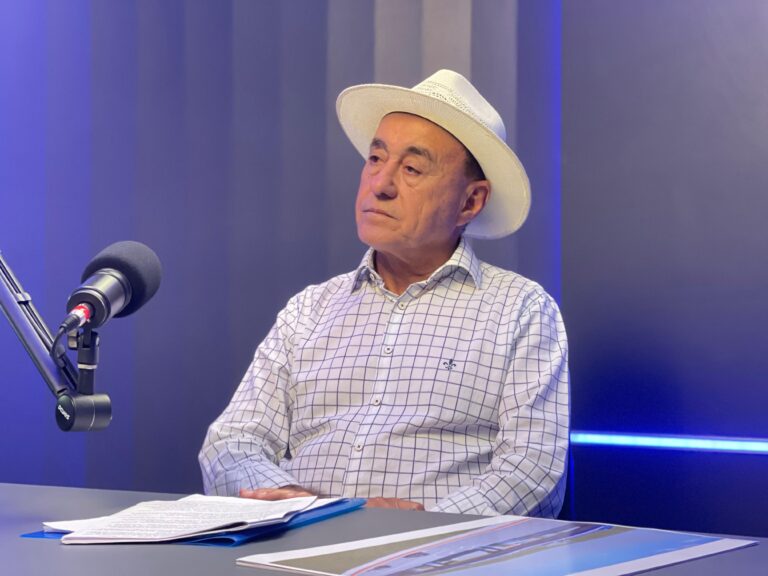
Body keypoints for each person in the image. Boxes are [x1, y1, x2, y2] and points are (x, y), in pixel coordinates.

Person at [199, 69, 569, 517]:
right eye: (376, 159)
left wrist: (427, 529)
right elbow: (232, 442)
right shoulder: (309, 310)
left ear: (470, 202)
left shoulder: (520, 310)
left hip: (440, 551)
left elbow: (532, 468)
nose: (380, 184)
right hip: (297, 541)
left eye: (411, 169)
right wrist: (301, 505)